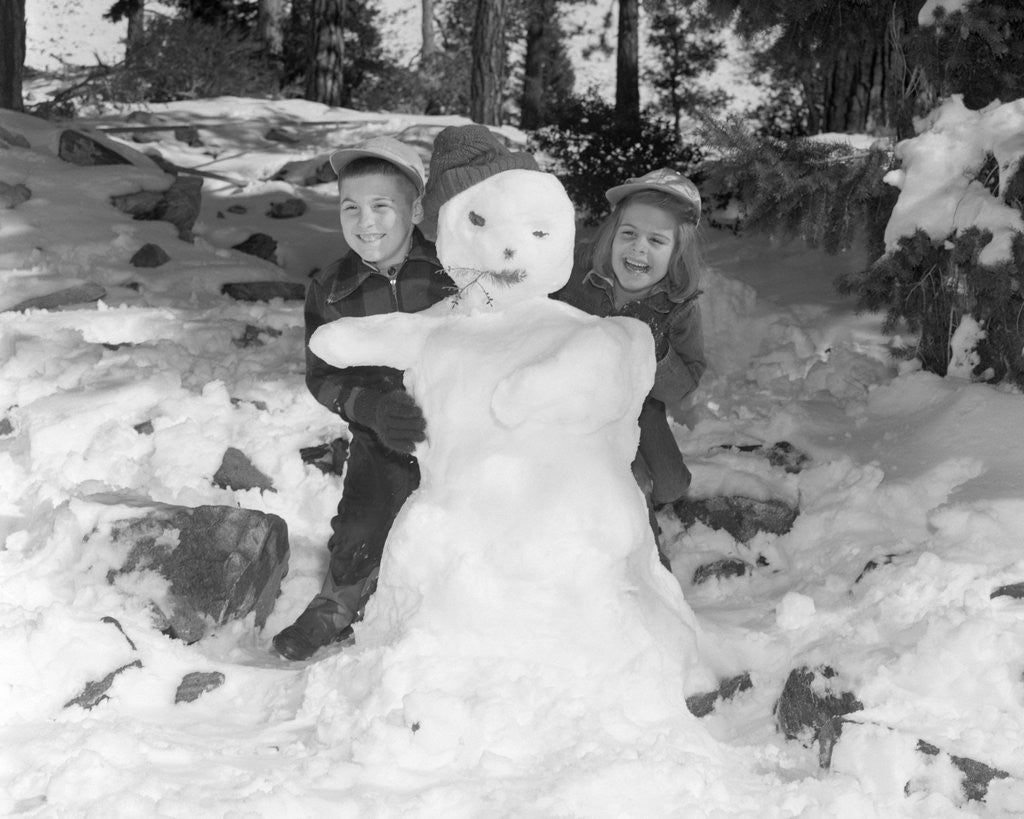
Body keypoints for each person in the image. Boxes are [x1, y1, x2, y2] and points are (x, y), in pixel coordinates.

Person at [272, 136, 455, 661]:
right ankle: (338, 602)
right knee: (362, 522)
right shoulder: (331, 287)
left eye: (382, 206)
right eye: (350, 207)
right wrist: (371, 410)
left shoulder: (452, 271)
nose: (365, 221)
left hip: (459, 430)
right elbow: (322, 376)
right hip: (381, 437)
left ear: (415, 209)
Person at [554, 168, 707, 567]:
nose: (638, 248)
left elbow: (683, 386)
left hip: (636, 408)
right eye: (629, 234)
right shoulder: (577, 279)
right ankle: (645, 567)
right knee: (630, 480)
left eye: (656, 240)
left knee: (672, 484)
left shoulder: (679, 308)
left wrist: (655, 352)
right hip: (571, 405)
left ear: (678, 252)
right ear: (611, 234)